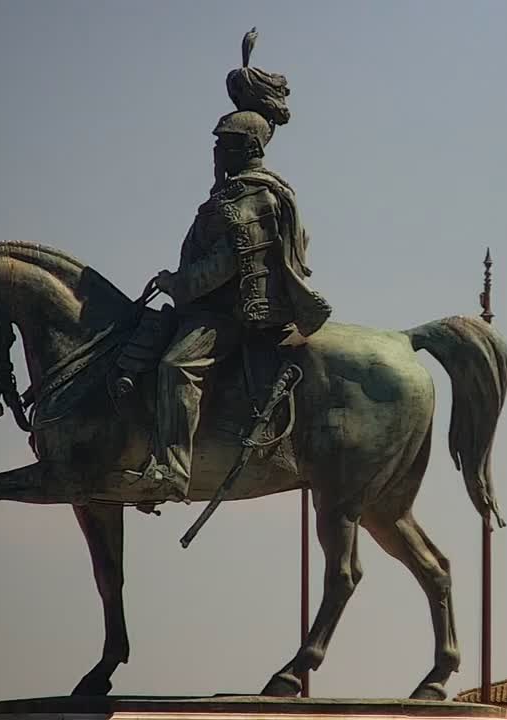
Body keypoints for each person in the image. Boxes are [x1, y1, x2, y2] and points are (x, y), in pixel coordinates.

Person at [140, 31, 331, 500]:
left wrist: (177, 283)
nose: (216, 153)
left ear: (241, 148)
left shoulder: (250, 195)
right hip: (210, 307)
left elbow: (227, 264)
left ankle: (172, 469)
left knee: (174, 366)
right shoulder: (241, 191)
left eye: (222, 145)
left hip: (232, 315)